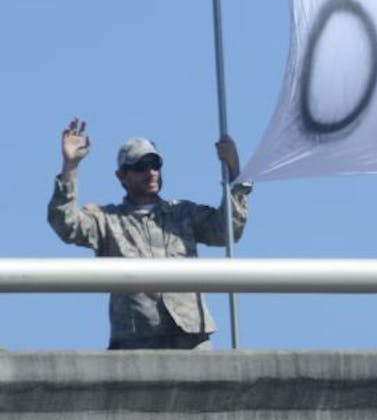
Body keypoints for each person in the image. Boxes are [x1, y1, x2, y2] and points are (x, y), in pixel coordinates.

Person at [47, 117, 252, 350]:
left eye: (155, 165)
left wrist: (236, 173)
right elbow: (65, 223)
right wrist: (70, 167)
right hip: (136, 341)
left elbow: (227, 231)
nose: (151, 172)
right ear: (122, 176)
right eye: (141, 167)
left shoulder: (183, 212)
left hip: (191, 338)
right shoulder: (107, 220)